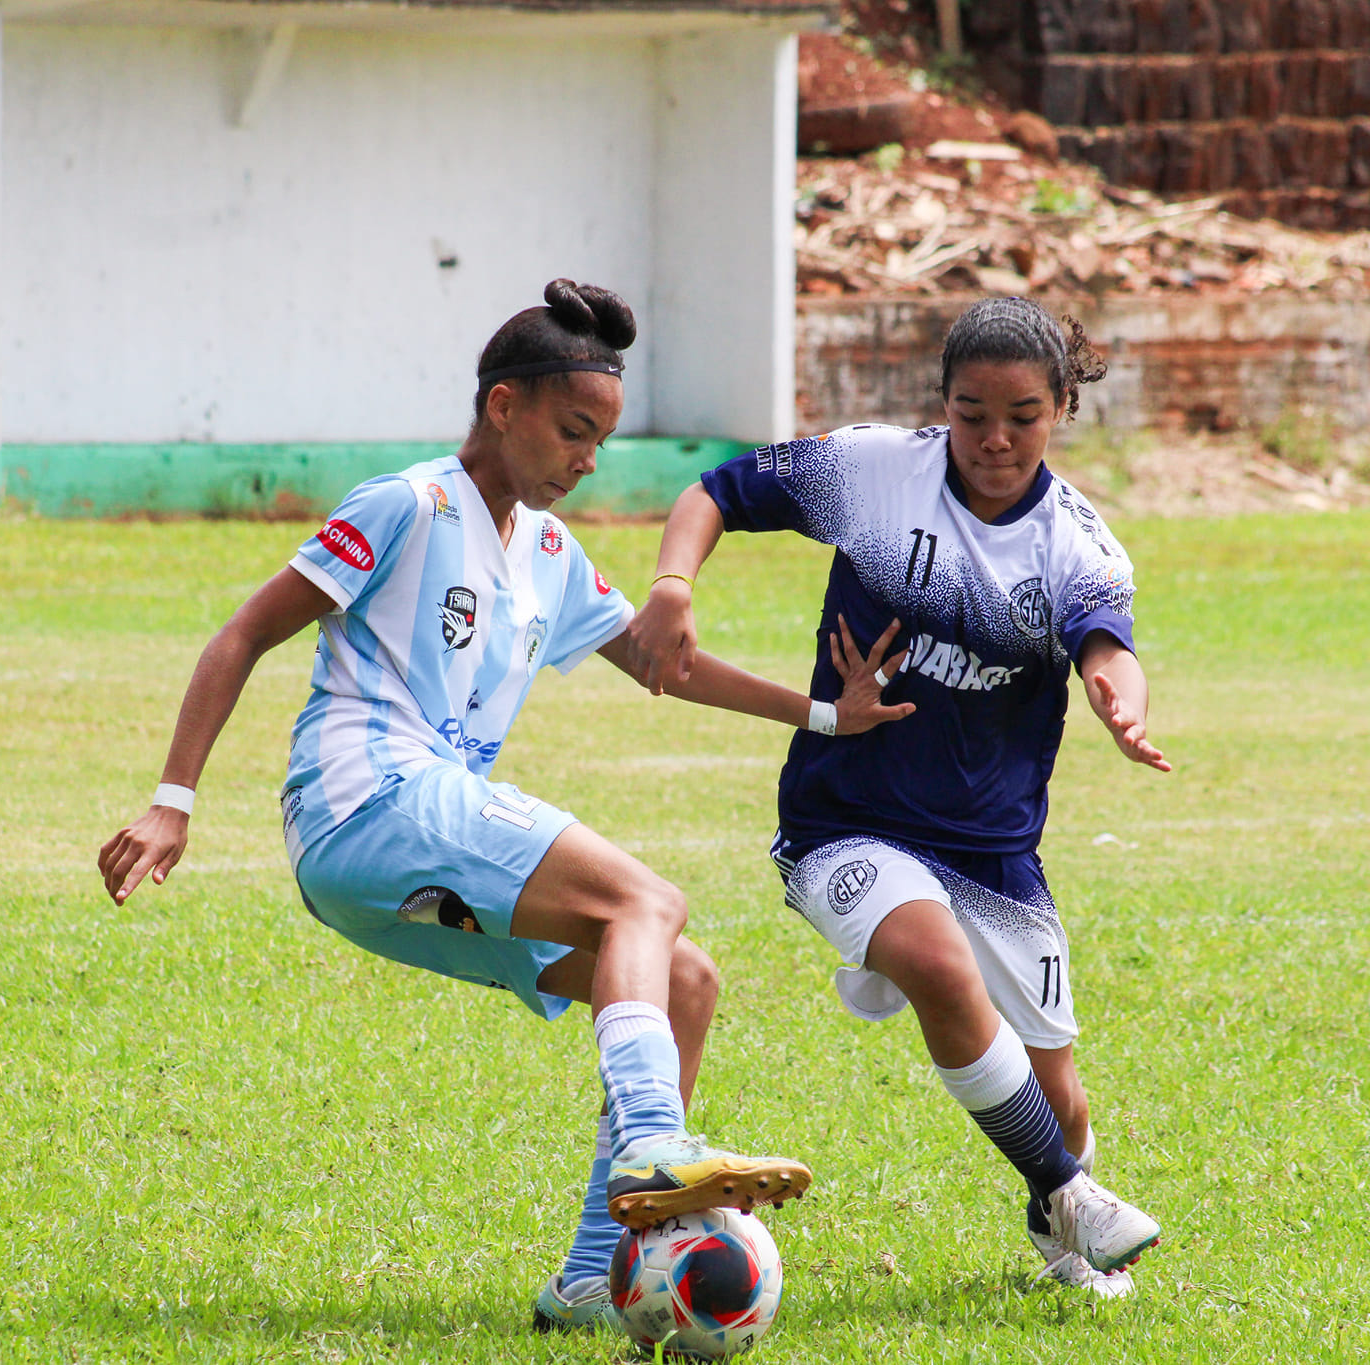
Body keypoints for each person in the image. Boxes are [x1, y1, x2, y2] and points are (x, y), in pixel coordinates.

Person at [95, 280, 912, 1333]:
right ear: (502, 407)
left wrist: (828, 718)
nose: (583, 460)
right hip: (367, 801)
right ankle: (654, 1141)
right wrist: (173, 802)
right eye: (573, 432)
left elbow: (668, 666)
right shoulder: (405, 504)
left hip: (397, 860)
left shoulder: (549, 554)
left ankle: (584, 1280)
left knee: (683, 981)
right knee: (644, 904)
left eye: (599, 444)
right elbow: (241, 635)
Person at [627, 295, 1166, 1296]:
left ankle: (1060, 1235)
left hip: (991, 849)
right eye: (971, 413)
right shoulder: (872, 473)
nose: (994, 439)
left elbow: (1107, 645)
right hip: (845, 820)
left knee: (1061, 1100)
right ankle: (1072, 1195)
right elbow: (715, 492)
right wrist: (672, 586)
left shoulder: (1076, 545)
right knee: (932, 962)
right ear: (941, 405)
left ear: (1061, 409)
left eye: (1020, 415)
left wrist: (1113, 702)